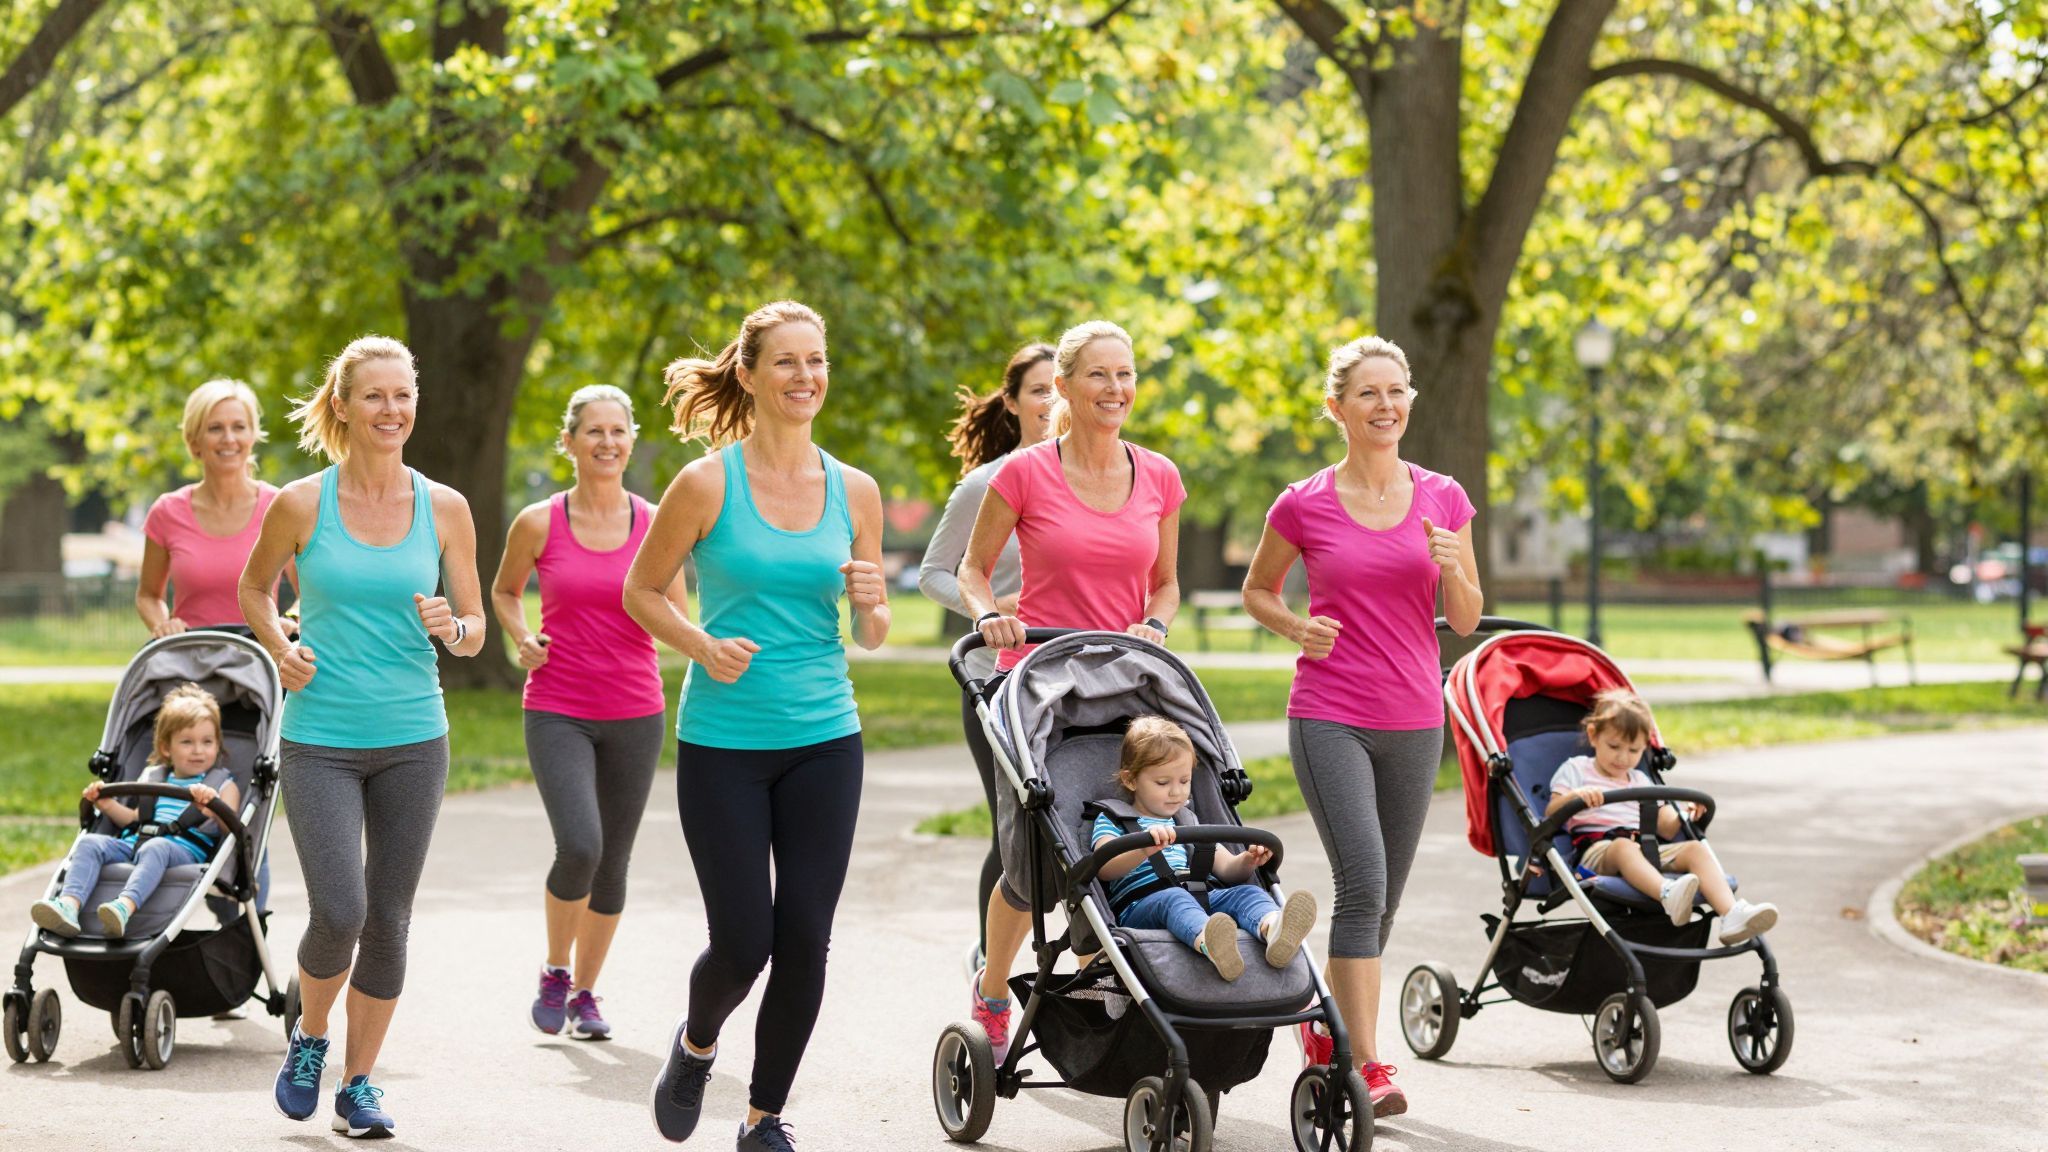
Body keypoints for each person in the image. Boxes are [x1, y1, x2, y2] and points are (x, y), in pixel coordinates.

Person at [627, 301, 890, 1152]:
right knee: (743, 943)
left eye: (817, 360)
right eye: (786, 361)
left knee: (805, 940)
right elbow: (641, 590)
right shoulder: (707, 483)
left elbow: (873, 631)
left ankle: (763, 1118)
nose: (805, 376)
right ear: (747, 374)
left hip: (825, 739)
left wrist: (872, 605)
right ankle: (698, 1044)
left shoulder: (855, 490)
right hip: (724, 745)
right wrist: (701, 645)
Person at [239, 335, 486, 1139]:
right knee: (340, 909)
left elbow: (477, 629)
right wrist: (280, 644)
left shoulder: (445, 508)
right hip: (322, 738)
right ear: (342, 406)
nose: (391, 409)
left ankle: (359, 1085)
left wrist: (455, 628)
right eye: (374, 396)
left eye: (402, 395)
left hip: (415, 736)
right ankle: (310, 1037)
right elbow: (253, 588)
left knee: (389, 916)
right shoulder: (300, 503)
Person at [1240, 335, 1482, 1118]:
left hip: (1415, 717)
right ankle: (1368, 1067)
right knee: (1363, 882)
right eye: (1369, 393)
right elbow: (1258, 590)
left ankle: (1327, 1024)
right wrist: (1295, 627)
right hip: (1329, 712)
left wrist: (1452, 565)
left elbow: (1466, 619)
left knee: (1384, 904)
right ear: (1337, 408)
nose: (1386, 405)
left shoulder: (1444, 496)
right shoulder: (1302, 501)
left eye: (1396, 390)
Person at [956, 319, 1184, 1064]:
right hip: (1040, 682)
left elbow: (1168, 583)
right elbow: (971, 569)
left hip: (1125, 682)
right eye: (1099, 375)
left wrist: (1155, 622)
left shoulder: (1160, 475)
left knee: (1123, 837)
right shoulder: (1024, 473)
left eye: (1126, 374)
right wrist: (988, 615)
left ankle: (1105, 980)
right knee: (1031, 864)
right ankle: (993, 993)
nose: (1116, 389)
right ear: (1064, 386)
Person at [493, 384, 684, 1041]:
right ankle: (555, 968)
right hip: (558, 706)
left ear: (631, 441)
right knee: (580, 844)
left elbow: (677, 614)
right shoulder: (538, 522)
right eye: (594, 431)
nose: (607, 442)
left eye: (618, 431)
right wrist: (522, 637)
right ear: (569, 442)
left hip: (635, 708)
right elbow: (504, 591)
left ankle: (585, 994)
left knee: (613, 861)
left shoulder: (657, 523)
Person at [916, 341, 1056, 973]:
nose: (1052, 401)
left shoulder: (1103, 481)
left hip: (1075, 675)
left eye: (1059, 387)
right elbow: (933, 574)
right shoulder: (986, 483)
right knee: (1017, 827)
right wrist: (988, 612)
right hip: (995, 682)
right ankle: (989, 966)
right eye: (1038, 390)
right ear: (1013, 402)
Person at [137, 378, 293, 927]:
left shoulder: (279, 506)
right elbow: (148, 594)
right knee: (177, 793)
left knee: (247, 802)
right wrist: (162, 622)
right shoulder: (167, 512)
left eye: (238, 427)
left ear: (253, 435)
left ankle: (242, 930)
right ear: (195, 440)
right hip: (186, 677)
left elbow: (309, 592)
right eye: (215, 428)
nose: (228, 438)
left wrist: (291, 620)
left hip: (254, 675)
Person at [1089, 717, 1316, 981]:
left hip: (1200, 896)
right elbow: (1104, 866)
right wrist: (1142, 849)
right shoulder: (1113, 819)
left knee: (1248, 892)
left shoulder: (1187, 821)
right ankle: (1211, 942)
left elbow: (1227, 869)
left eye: (1184, 781)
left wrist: (1248, 860)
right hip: (1142, 906)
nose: (1176, 792)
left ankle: (1273, 929)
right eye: (1163, 783)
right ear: (1130, 780)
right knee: (1174, 898)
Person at [1548, 689, 1779, 942]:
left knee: (1694, 849)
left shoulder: (1639, 779)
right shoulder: (1576, 769)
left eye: (1634, 750)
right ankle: (1668, 894)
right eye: (1614, 746)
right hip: (1596, 853)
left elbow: (1667, 827)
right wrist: (1576, 796)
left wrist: (1687, 815)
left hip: (1643, 848)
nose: (1623, 757)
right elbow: (1551, 812)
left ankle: (1731, 914)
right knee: (1623, 847)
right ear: (1593, 736)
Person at [31, 684, 239, 939]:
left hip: (182, 851)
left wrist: (213, 807)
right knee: (89, 843)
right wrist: (107, 805)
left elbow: (232, 829)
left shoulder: (222, 785)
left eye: (207, 742)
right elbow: (134, 819)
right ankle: (68, 906)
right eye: (187, 742)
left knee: (156, 847)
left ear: (217, 744)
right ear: (166, 748)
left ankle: (123, 907)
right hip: (137, 842)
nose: (198, 750)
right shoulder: (154, 778)